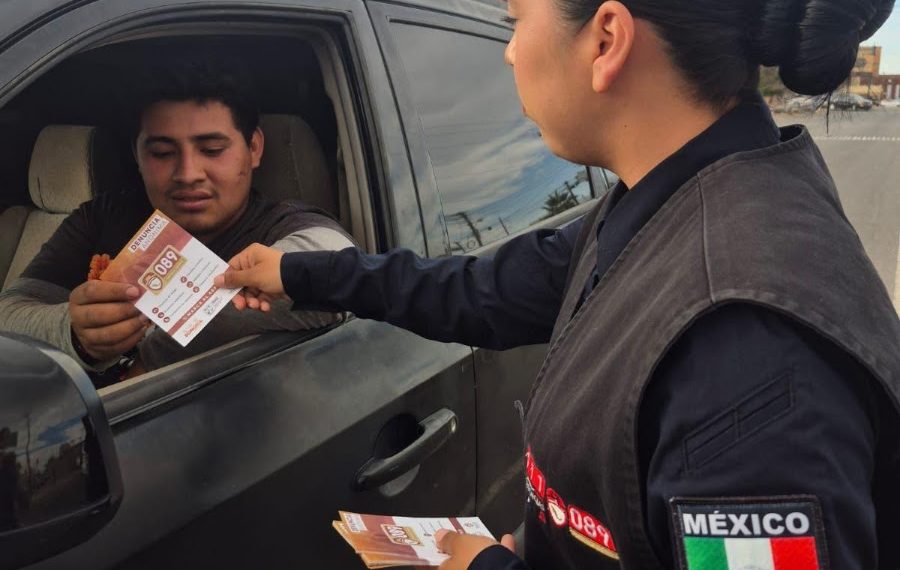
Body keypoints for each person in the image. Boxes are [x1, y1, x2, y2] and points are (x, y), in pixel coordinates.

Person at [216, 0, 900, 568]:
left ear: (606, 39)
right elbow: (476, 291)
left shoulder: (745, 348)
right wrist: (298, 272)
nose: (510, 53)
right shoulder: (666, 203)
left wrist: (487, 566)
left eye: (516, 18)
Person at [0, 60, 353, 386]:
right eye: (162, 153)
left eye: (212, 149)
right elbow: (10, 313)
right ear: (136, 155)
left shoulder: (287, 227)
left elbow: (338, 271)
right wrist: (74, 332)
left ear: (254, 148)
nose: (188, 174)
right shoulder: (104, 215)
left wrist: (150, 355)